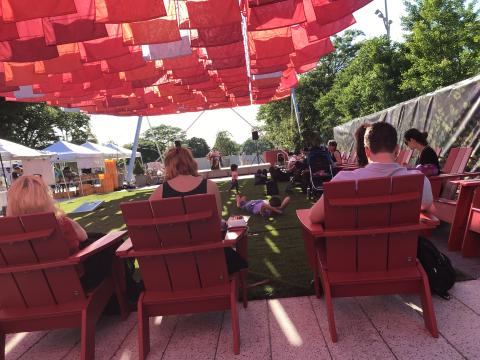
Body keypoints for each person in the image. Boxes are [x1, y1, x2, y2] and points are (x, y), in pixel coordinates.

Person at [310, 122, 433, 224]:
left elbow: (314, 217)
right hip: (402, 250)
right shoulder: (420, 180)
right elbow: (425, 206)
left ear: (367, 151)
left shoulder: (342, 180)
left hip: (352, 250)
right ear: (397, 149)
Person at [6, 175, 112, 291]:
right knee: (107, 245)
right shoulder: (60, 225)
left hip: (26, 291)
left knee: (97, 237)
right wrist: (61, 217)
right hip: (70, 287)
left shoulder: (7, 234)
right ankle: (124, 295)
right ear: (45, 198)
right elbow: (83, 236)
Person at [150, 146, 246, 274]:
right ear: (191, 162)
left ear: (167, 166)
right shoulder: (210, 187)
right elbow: (216, 224)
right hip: (212, 259)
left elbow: (155, 232)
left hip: (176, 265)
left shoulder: (157, 194)